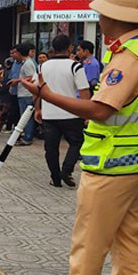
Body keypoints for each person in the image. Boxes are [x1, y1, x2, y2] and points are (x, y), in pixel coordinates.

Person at [20, 0, 138, 275]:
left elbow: (100, 110)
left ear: (115, 17)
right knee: (128, 237)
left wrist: (46, 95)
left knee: (90, 239)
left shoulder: (130, 58)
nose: (98, 18)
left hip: (112, 165)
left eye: (102, 13)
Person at [35, 35, 90, 187]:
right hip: (71, 113)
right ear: (69, 48)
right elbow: (84, 91)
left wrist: (38, 109)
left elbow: (37, 89)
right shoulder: (75, 66)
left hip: (49, 114)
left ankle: (55, 177)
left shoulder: (42, 67)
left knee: (51, 148)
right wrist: (87, 113)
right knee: (76, 143)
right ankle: (67, 170)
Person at [9, 43, 37, 146]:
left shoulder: (28, 63)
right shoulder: (24, 63)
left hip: (26, 94)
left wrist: (17, 81)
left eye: (15, 52)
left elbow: (31, 77)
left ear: (20, 53)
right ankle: (26, 135)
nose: (14, 54)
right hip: (23, 93)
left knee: (26, 117)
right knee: (24, 116)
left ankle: (28, 137)